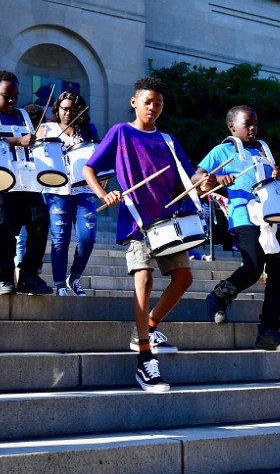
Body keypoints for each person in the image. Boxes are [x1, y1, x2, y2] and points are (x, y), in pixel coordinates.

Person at [83, 76, 196, 393]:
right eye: (147, 102)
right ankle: (145, 357)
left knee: (184, 278)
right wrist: (103, 194)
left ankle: (148, 326)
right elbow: (89, 168)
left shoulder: (169, 141)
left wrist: (205, 184)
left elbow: (184, 182)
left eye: (158, 103)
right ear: (135, 102)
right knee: (143, 276)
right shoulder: (121, 132)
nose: (153, 107)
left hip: (168, 221)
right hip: (136, 220)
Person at [195, 105, 280, 351]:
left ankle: (269, 330)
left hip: (271, 215)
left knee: (279, 272)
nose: (253, 128)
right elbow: (196, 177)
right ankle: (219, 295)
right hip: (244, 215)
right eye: (247, 124)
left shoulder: (264, 149)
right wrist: (216, 179)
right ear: (232, 127)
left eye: (255, 123)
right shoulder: (223, 150)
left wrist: (278, 174)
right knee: (253, 267)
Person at [0, 70, 52, 295]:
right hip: (0, 182)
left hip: (27, 182)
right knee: (5, 230)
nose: (12, 100)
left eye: (15, 96)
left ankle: (29, 274)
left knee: (40, 223)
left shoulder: (23, 115)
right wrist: (17, 141)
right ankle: (4, 278)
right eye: (6, 95)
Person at [38, 90, 100, 296]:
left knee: (87, 237)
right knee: (60, 239)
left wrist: (102, 187)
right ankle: (60, 284)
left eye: (73, 109)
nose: (68, 113)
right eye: (64, 109)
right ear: (57, 108)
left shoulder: (88, 130)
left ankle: (74, 277)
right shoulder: (47, 129)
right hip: (56, 191)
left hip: (84, 190)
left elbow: (98, 159)